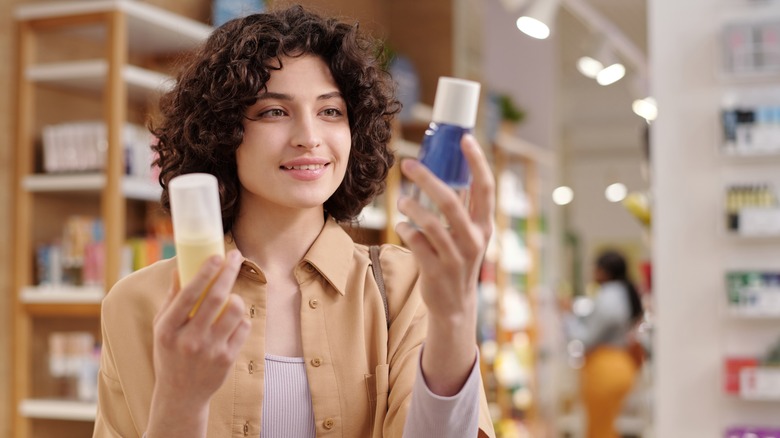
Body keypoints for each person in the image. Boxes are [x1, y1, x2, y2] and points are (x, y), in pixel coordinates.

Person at [93, 5, 495, 438]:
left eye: (331, 111)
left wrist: (455, 319)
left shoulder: (405, 287)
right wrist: (181, 399)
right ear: (222, 131)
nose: (309, 135)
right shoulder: (137, 305)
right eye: (273, 112)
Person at [563, 250, 644, 438]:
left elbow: (587, 337)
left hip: (604, 369)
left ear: (604, 271)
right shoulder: (623, 293)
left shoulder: (609, 296)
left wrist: (567, 318)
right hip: (620, 365)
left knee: (599, 430)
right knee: (605, 427)